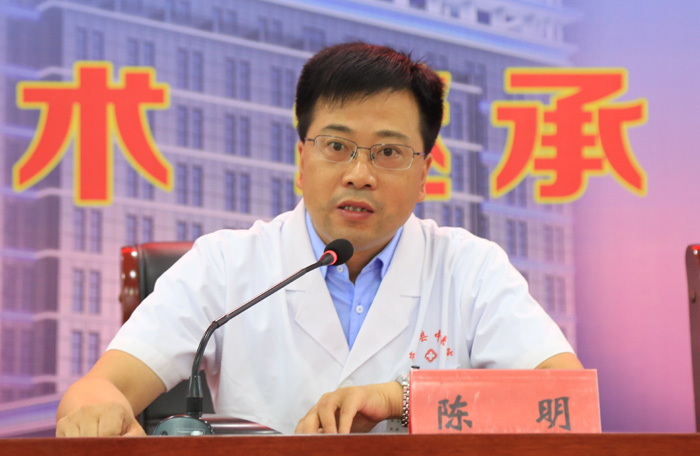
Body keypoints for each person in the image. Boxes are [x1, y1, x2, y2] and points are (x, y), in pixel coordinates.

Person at [56, 42, 582, 437]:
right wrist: (96, 413)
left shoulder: (470, 269)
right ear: (301, 158)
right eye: (336, 146)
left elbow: (567, 403)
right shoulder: (225, 264)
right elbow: (100, 388)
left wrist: (399, 399)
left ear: (425, 174)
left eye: (389, 152)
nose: (359, 174)